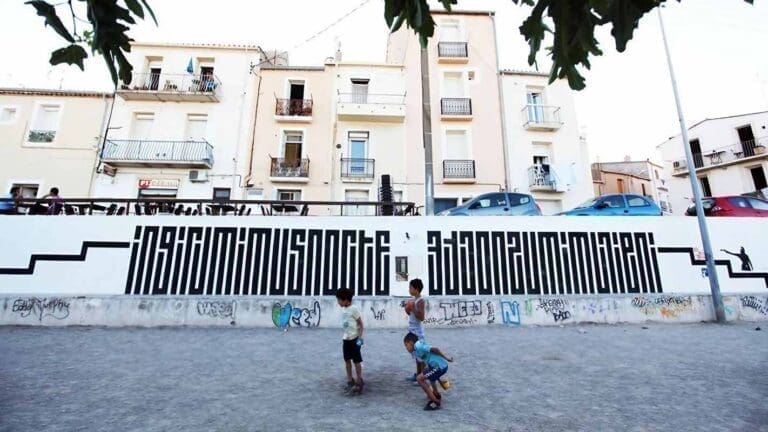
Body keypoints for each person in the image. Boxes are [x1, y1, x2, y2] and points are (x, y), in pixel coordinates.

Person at [404, 278, 450, 390]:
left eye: (411, 287)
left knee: (421, 356)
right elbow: (410, 313)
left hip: (417, 332)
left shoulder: (420, 301)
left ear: (416, 289)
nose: (409, 289)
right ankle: (417, 374)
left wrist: (412, 308)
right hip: (412, 329)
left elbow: (421, 317)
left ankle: (422, 376)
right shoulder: (414, 300)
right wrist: (407, 309)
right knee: (416, 355)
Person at [403, 332, 454, 411]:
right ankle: (436, 395)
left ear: (411, 342)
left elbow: (435, 349)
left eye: (406, 345)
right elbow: (428, 360)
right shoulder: (416, 350)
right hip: (436, 367)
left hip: (439, 367)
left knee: (419, 379)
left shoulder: (418, 346)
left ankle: (436, 402)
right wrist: (439, 380)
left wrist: (447, 358)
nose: (406, 348)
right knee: (429, 377)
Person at [335, 288, 364, 394]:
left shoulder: (354, 309)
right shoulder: (344, 308)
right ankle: (349, 380)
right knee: (347, 360)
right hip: (346, 339)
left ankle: (359, 380)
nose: (338, 302)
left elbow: (361, 324)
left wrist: (360, 338)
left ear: (346, 300)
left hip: (355, 339)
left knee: (356, 361)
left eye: (339, 300)